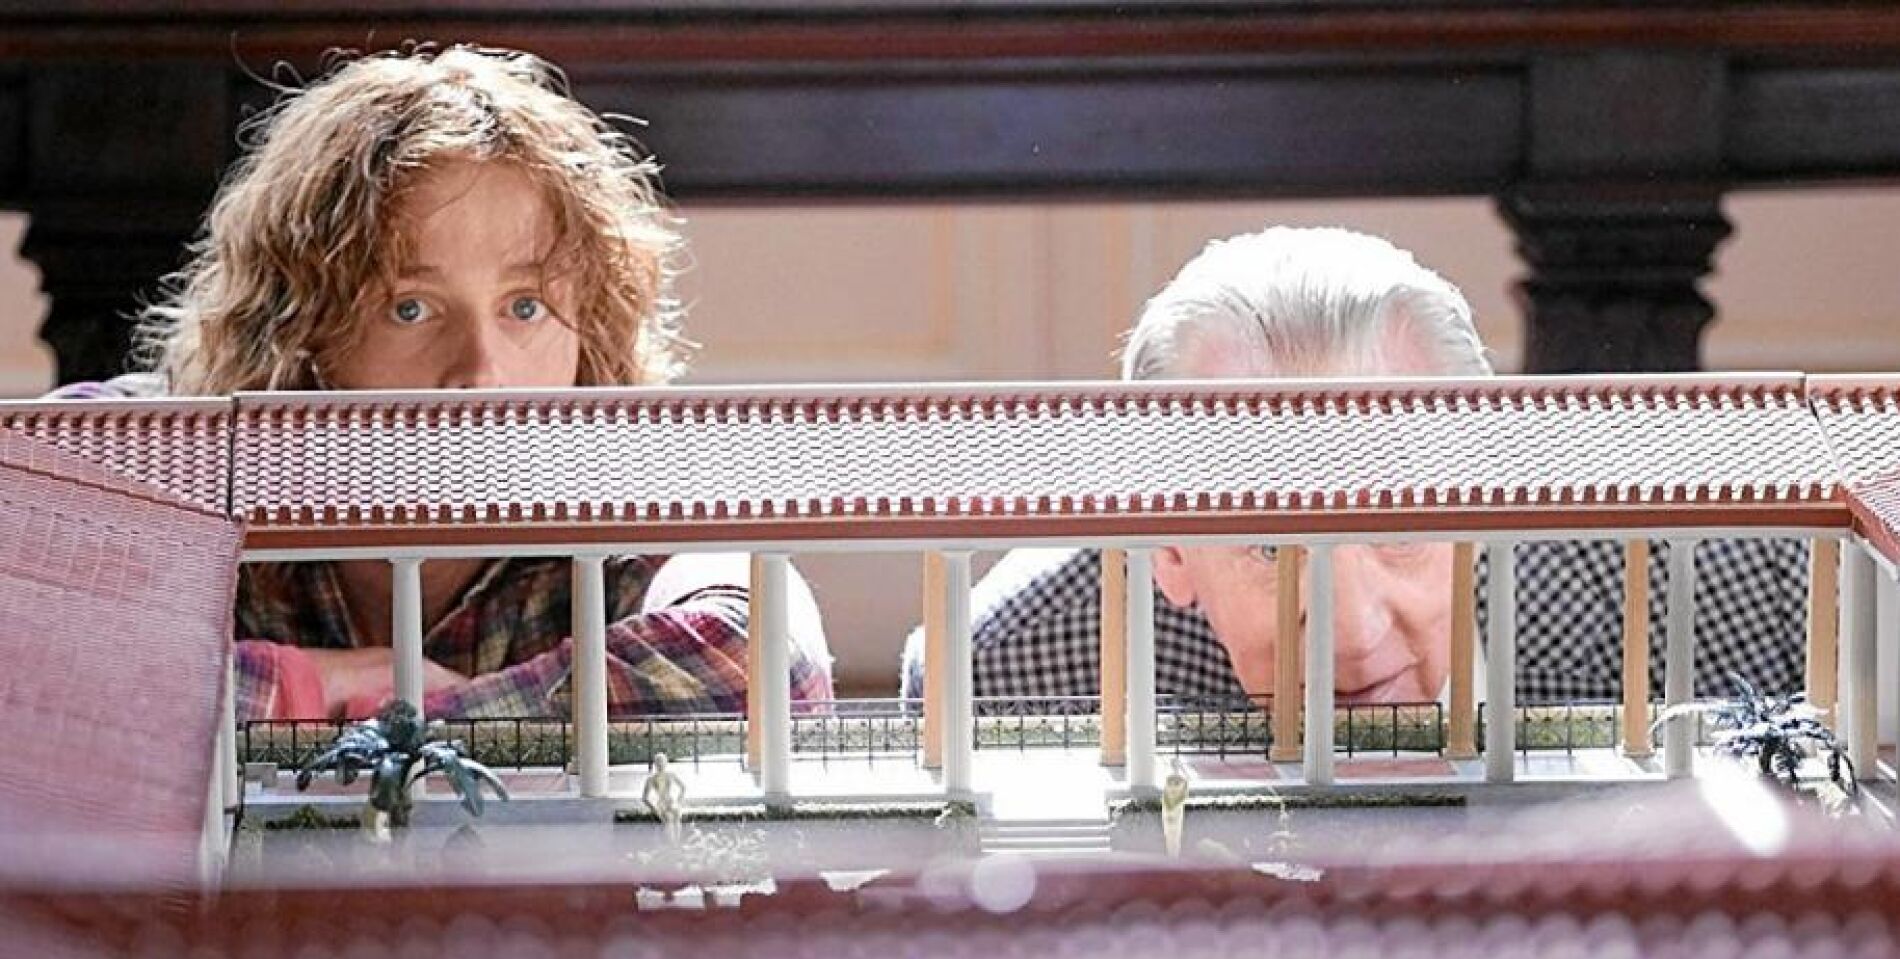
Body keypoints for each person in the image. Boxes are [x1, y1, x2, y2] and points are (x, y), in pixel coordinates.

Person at [53, 46, 833, 723]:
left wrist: (406, 723)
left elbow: (769, 658)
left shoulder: (629, 476)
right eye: (411, 308)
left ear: (587, 325)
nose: (480, 372)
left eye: (525, 306)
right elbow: (24, 649)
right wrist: (313, 682)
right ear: (306, 327)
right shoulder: (164, 447)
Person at [899, 226, 1808, 710]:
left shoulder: (1740, 595)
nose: (1351, 629)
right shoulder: (1005, 667)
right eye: (1268, 545)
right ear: (1166, 548)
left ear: (1488, 501)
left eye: (1400, 522)